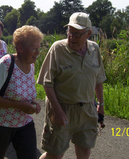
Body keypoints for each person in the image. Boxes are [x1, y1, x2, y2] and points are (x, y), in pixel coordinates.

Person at [37, 12, 106, 159]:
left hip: (87, 110)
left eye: (77, 34)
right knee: (55, 154)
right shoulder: (57, 49)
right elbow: (47, 83)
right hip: (62, 107)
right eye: (70, 32)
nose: (71, 37)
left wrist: (101, 103)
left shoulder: (94, 50)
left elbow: (98, 79)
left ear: (88, 34)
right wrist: (58, 111)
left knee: (85, 151)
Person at [0, 25, 43, 159]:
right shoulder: (6, 63)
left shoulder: (31, 65)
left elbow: (22, 93)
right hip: (1, 124)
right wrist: (20, 106)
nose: (38, 52)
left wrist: (32, 103)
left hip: (25, 123)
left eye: (39, 48)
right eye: (34, 48)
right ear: (20, 47)